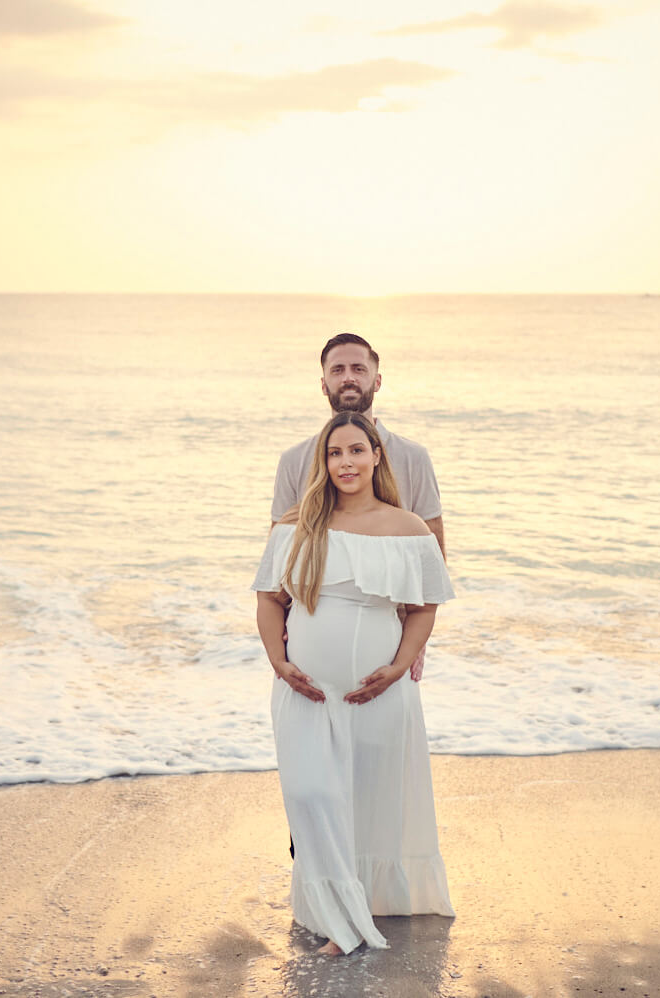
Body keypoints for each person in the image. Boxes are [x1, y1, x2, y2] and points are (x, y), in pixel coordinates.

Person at [254, 411, 455, 956]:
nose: (346, 462)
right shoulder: (296, 527)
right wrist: (279, 661)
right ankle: (335, 913)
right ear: (323, 463)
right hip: (305, 692)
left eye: (356, 451)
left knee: (365, 800)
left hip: (380, 694)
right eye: (334, 453)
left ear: (376, 457)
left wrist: (399, 666)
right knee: (310, 793)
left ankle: (350, 916)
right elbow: (270, 601)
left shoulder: (407, 528)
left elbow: (423, 608)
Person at [271, 332, 445, 683]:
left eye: (358, 369)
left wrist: (417, 641)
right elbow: (277, 561)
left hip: (388, 634)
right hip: (309, 635)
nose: (348, 377)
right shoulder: (294, 461)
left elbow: (433, 552)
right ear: (324, 384)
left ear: (376, 380)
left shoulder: (413, 457)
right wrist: (280, 642)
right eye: (337, 370)